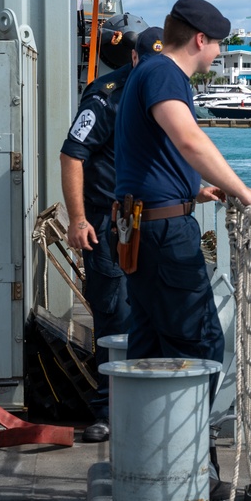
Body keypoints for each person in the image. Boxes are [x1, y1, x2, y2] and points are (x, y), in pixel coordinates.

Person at [113, 0, 251, 396]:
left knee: (148, 348)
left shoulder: (147, 72)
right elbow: (188, 140)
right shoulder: (164, 74)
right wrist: (246, 193)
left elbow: (150, 152)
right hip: (164, 236)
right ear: (201, 40)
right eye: (219, 44)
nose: (219, 53)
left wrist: (190, 190)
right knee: (199, 347)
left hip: (142, 229)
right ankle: (196, 454)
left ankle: (149, 457)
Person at [60, 25, 164, 443]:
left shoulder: (165, 91)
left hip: (154, 221)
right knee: (114, 316)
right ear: (134, 59)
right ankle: (109, 410)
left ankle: (147, 407)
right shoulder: (105, 97)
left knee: (156, 314)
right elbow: (73, 154)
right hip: (108, 223)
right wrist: (78, 219)